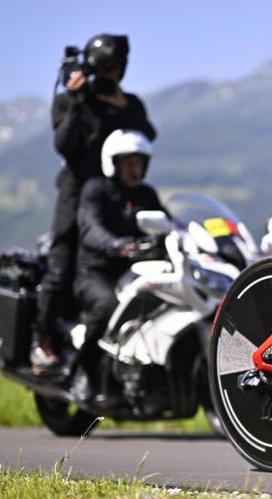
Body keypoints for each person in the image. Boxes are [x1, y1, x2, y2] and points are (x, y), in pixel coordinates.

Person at [33, 33, 157, 371]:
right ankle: (42, 342)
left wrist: (122, 106)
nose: (111, 77)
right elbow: (64, 145)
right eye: (107, 71)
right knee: (60, 263)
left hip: (113, 197)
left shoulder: (126, 104)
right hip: (74, 194)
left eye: (116, 70)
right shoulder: (70, 101)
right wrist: (76, 103)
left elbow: (147, 134)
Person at [72, 129, 167, 404]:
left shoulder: (146, 194)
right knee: (107, 308)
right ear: (112, 163)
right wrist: (117, 245)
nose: (133, 168)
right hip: (96, 273)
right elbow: (90, 228)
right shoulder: (96, 190)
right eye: (127, 162)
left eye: (137, 162)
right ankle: (83, 372)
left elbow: (167, 224)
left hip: (136, 272)